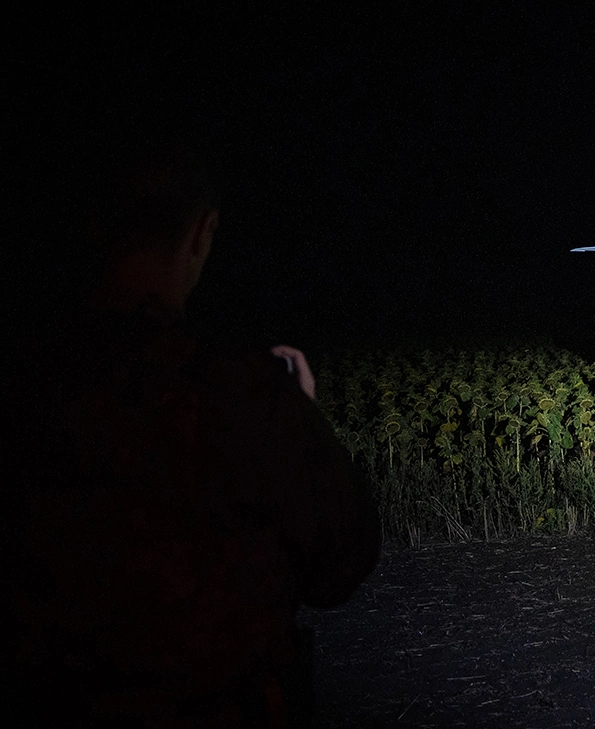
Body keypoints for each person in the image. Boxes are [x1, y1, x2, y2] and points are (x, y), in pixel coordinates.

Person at [1, 146, 381, 727]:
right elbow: (342, 560)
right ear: (203, 232)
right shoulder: (240, 394)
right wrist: (304, 421)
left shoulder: (30, 385)